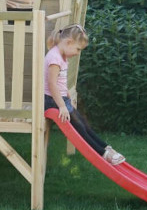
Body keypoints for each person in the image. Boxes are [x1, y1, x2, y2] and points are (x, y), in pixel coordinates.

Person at [44, 24, 125, 166]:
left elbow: (58, 80)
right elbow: (51, 84)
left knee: (83, 123)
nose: (77, 52)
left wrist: (66, 92)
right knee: (79, 128)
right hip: (52, 101)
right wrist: (62, 106)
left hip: (59, 99)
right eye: (78, 49)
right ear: (69, 42)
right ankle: (102, 153)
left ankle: (105, 148)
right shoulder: (54, 57)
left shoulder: (61, 55)